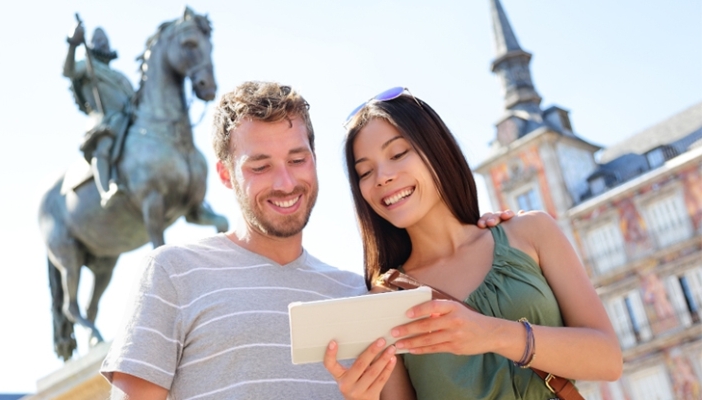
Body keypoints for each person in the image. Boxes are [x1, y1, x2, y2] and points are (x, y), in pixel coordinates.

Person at [99, 81, 512, 399]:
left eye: (297, 160)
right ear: (226, 175)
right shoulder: (173, 272)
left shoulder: (359, 293)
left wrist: (483, 230)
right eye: (260, 166)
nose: (286, 182)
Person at [324, 87, 623, 399]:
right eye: (365, 171)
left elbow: (608, 359)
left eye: (398, 154)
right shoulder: (385, 298)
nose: (382, 177)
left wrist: (494, 334)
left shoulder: (531, 232)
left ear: (436, 150)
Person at [64, 22, 135, 207]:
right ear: (91, 44)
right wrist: (73, 43)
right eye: (98, 40)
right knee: (104, 146)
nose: (103, 44)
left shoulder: (121, 76)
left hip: (128, 119)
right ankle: (106, 190)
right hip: (105, 121)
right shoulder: (86, 66)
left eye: (105, 40)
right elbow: (68, 71)